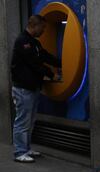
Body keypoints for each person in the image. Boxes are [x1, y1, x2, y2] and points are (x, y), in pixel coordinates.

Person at [11, 14, 62, 163]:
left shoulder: (34, 43)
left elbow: (44, 56)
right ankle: (19, 152)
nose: (44, 31)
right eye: (43, 28)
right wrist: (51, 74)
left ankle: (26, 149)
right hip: (23, 89)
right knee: (22, 121)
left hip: (32, 88)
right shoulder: (23, 42)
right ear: (35, 26)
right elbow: (35, 63)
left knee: (30, 120)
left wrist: (62, 62)